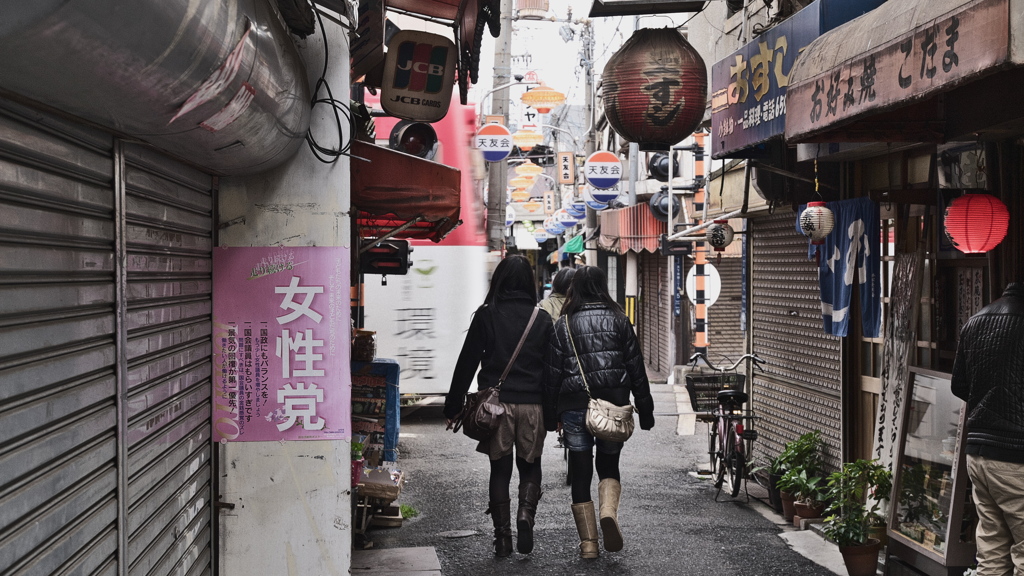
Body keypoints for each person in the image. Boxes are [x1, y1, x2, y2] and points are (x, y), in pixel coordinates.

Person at [444, 255, 554, 557]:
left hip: (496, 408)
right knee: (530, 467)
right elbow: (553, 369)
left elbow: (466, 363)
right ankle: (525, 515)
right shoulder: (542, 318)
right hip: (533, 406)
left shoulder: (486, 315)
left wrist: (453, 405)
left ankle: (503, 537)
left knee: (500, 471)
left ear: (500, 281)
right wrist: (554, 413)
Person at [543, 266, 655, 558]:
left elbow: (552, 374)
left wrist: (549, 414)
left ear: (574, 289)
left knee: (580, 472)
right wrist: (646, 408)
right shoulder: (620, 320)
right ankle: (608, 513)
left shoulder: (563, 323)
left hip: (574, 407)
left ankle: (589, 544)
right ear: (603, 287)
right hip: (614, 406)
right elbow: (636, 368)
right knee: (609, 465)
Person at [951, 282, 1024, 575]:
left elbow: (959, 385)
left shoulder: (976, 319)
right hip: (1016, 457)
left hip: (979, 453)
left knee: (991, 553)